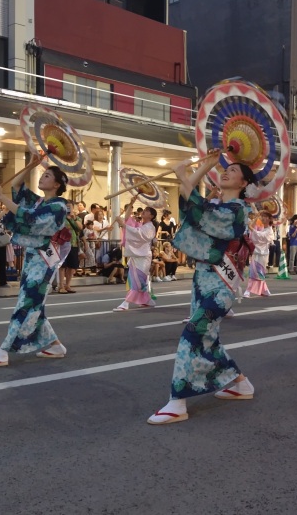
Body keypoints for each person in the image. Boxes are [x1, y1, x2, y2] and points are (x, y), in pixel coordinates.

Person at [147, 156, 257, 425]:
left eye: (233, 171)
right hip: (203, 280)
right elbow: (190, 206)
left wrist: (187, 175)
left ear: (244, 183)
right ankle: (241, 384)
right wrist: (195, 170)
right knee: (209, 338)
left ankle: (177, 401)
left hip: (221, 286)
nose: (226, 172)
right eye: (225, 169)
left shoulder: (238, 210)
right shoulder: (219, 204)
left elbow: (200, 211)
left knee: (193, 333)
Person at [0, 163, 70, 368]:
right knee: (33, 304)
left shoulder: (59, 206)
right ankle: (55, 345)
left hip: (45, 261)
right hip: (32, 258)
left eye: (46, 175)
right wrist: (31, 165)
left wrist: (1, 197)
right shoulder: (38, 202)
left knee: (26, 304)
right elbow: (18, 187)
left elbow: (29, 218)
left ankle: (4, 350)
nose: (42, 178)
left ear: (56, 184)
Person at [113, 196, 157, 311]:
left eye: (147, 211)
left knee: (137, 281)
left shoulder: (150, 227)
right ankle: (146, 299)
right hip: (137, 255)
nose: (144, 211)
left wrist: (123, 225)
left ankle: (126, 302)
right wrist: (131, 202)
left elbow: (139, 234)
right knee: (136, 280)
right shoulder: (141, 224)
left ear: (151, 216)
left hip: (143, 256)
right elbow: (127, 219)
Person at [243, 211, 274, 298]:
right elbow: (253, 230)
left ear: (269, 219)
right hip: (256, 253)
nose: (263, 218)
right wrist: (256, 217)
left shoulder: (270, 230)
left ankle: (262, 290)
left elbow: (261, 236)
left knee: (260, 272)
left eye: (265, 216)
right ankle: (250, 290)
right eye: (262, 216)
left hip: (263, 254)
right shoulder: (262, 228)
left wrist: (252, 229)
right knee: (253, 271)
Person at [58, 201, 83, 293]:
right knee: (62, 265)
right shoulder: (61, 217)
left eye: (70, 207)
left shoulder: (77, 218)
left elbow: (80, 228)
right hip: (62, 244)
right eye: (66, 207)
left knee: (72, 266)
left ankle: (68, 285)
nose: (68, 209)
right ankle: (61, 286)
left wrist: (74, 217)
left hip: (73, 243)